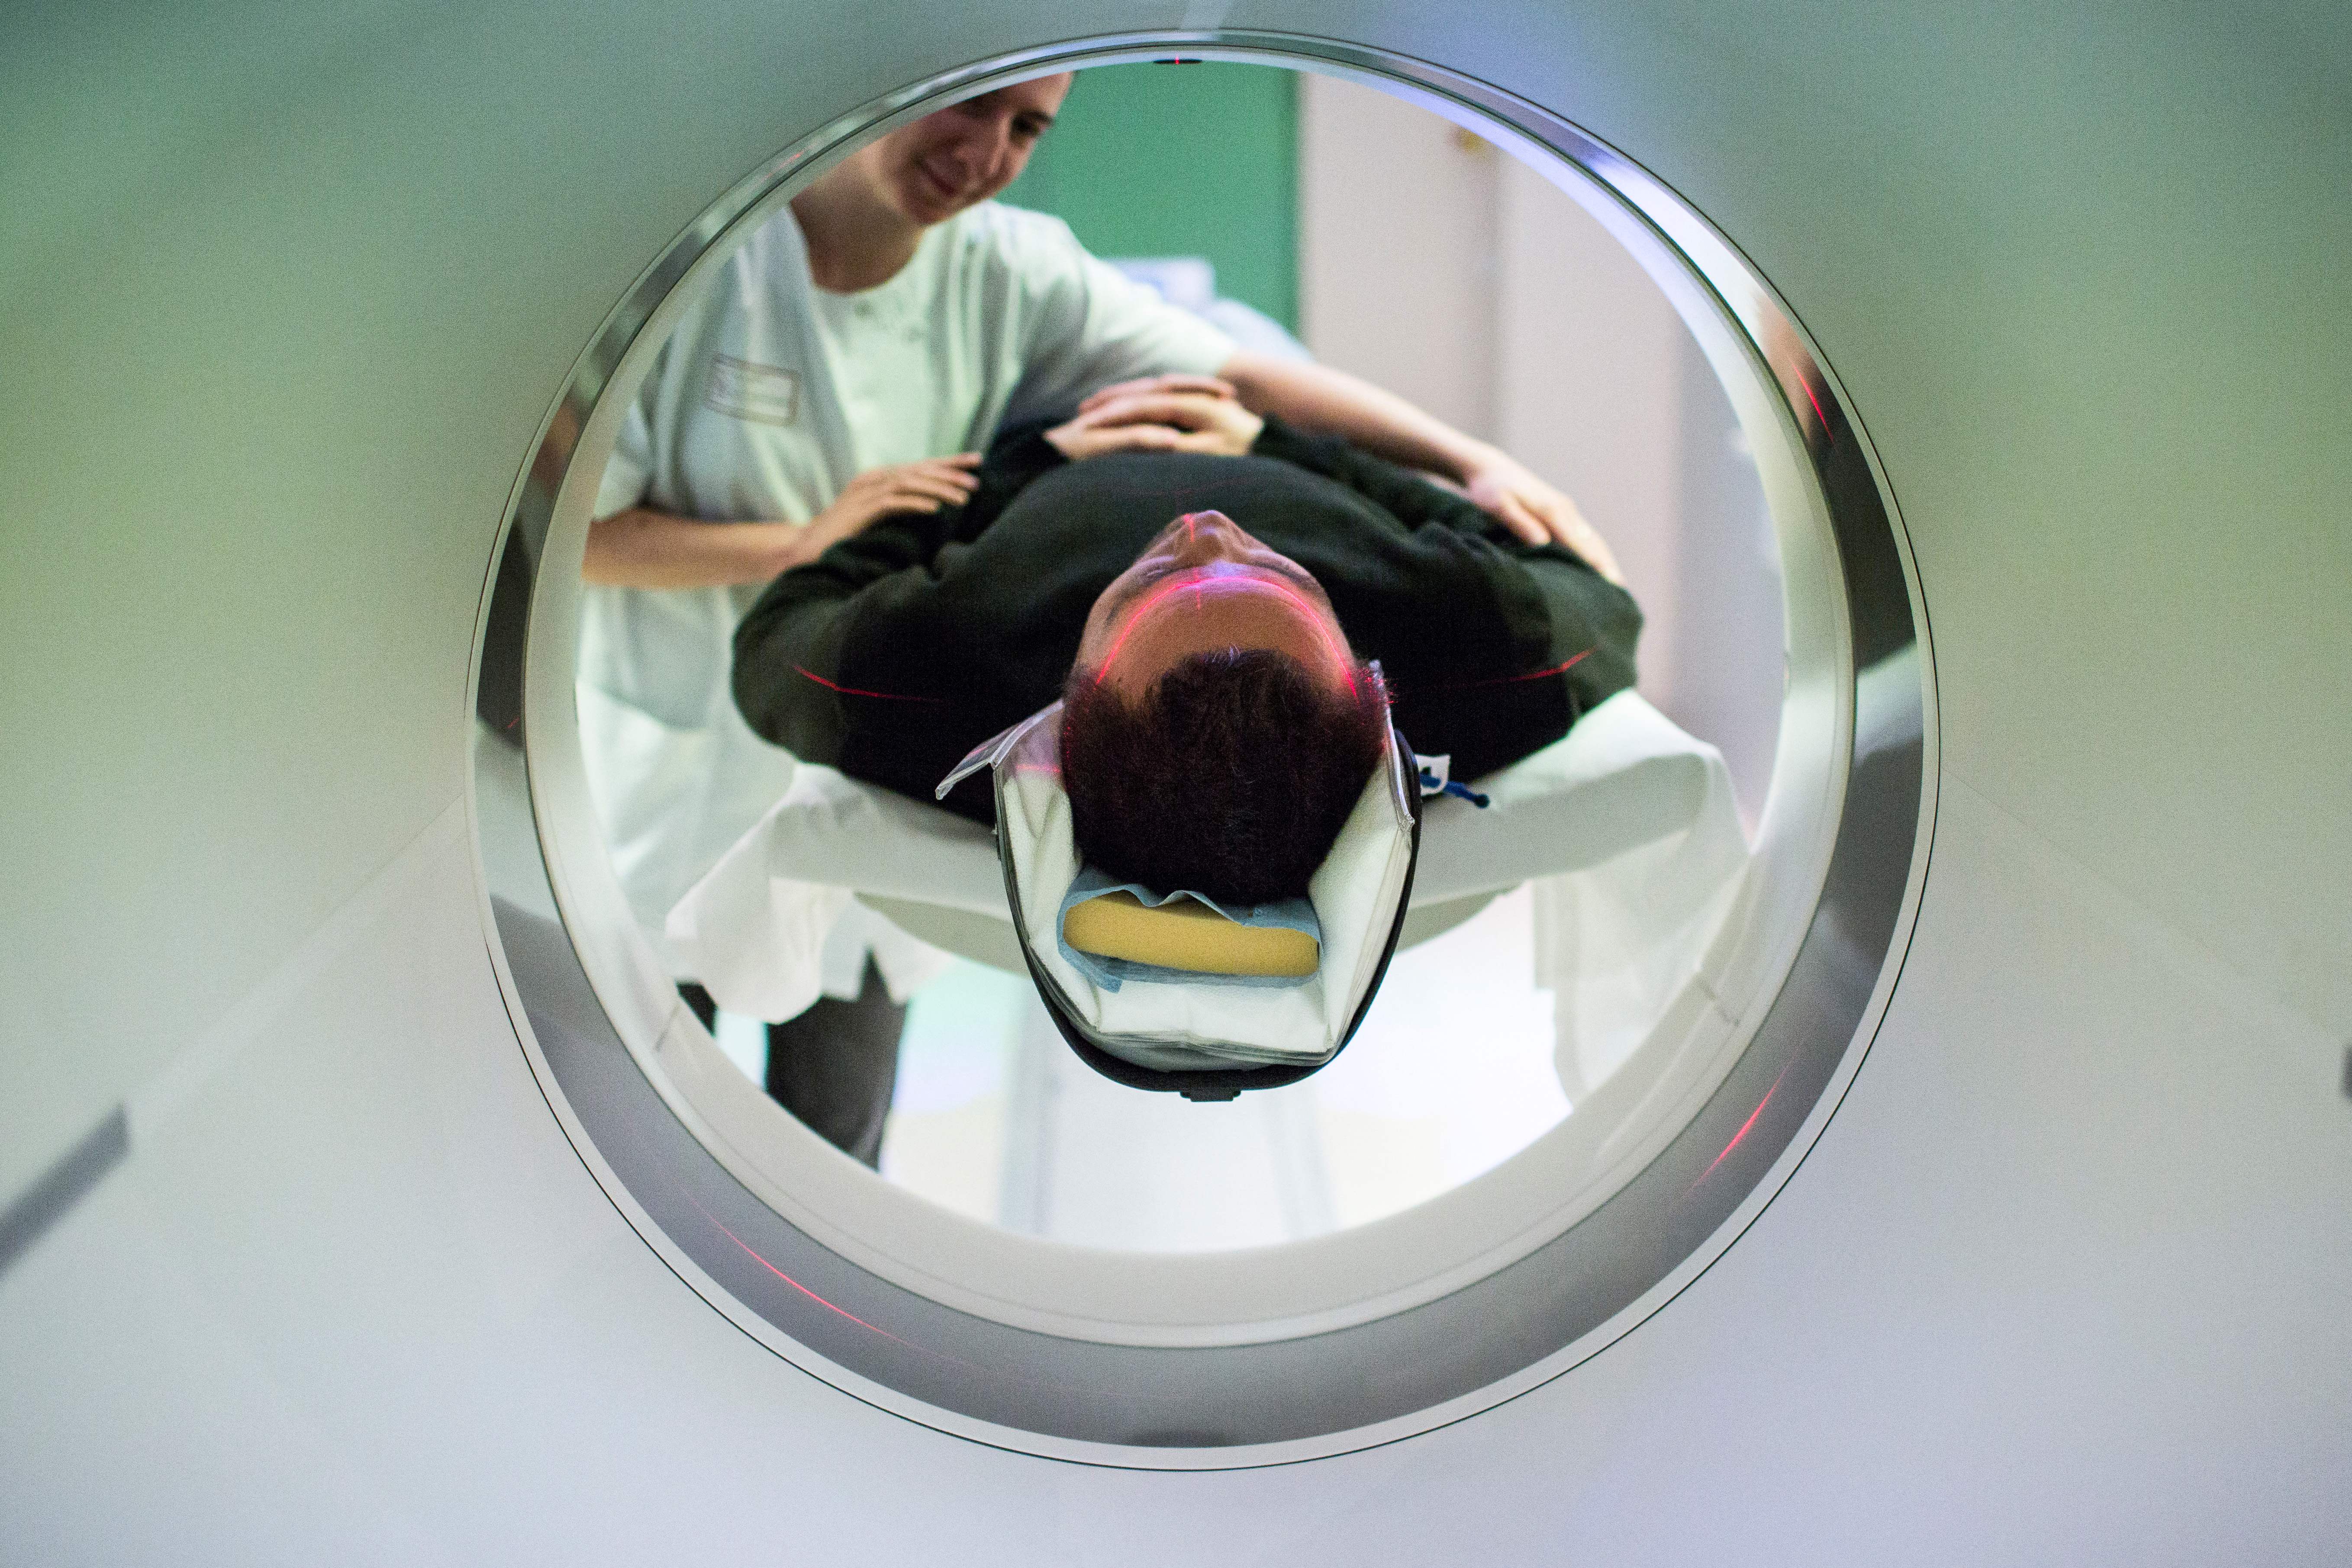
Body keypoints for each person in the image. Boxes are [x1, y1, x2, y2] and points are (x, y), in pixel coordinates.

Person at [581, 71, 1615, 1160]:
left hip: (866, 735)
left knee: (838, 1138)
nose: (986, 154)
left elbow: (1240, 374)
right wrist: (801, 546)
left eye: (1028, 128)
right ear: (887, 79)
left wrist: (1468, 462)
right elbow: (581, 536)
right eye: (968, 108)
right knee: (645, 1120)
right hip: (682, 748)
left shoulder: (1011, 269)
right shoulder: (696, 272)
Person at [731, 386, 1642, 913]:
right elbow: (1592, 596)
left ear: (1067, 696)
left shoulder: (945, 663)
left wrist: (1024, 461)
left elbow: (777, 634)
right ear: (1360, 672)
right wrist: (1289, 447)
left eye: (1152, 580)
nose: (1202, 528)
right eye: (1271, 574)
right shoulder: (1450, 642)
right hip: (1247, 409)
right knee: (1248, 361)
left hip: (1055, 412)